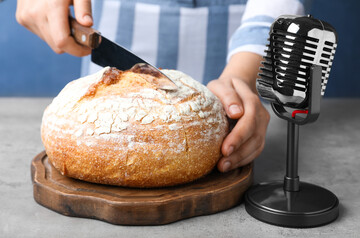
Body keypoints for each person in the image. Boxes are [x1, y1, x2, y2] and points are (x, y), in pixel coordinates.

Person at [16, 0, 306, 173]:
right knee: (105, 139)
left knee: (209, 128)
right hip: (113, 57)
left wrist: (243, 73)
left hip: (240, 49)